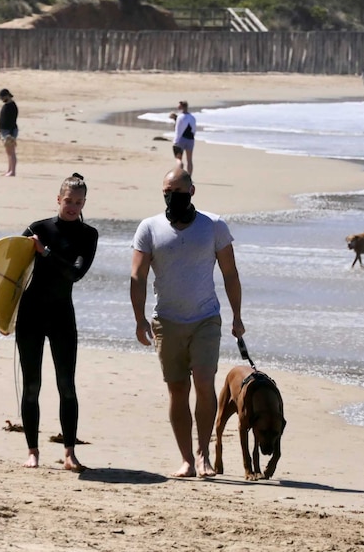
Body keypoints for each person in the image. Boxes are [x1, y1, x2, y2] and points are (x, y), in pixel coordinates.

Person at [130, 168, 244, 478]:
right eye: (167, 192)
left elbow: (230, 273)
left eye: (178, 192)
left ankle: (203, 454)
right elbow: (138, 276)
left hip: (206, 318)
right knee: (177, 390)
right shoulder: (149, 228)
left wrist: (237, 316)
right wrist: (139, 319)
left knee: (204, 384)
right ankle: (186, 460)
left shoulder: (214, 226)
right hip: (166, 321)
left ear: (192, 191)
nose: (172, 197)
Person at [16, 173, 99, 472]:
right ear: (58, 199)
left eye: (79, 202)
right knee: (32, 386)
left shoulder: (88, 235)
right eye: (68, 201)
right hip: (30, 315)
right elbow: (9, 269)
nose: (73, 207)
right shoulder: (38, 228)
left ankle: (69, 453)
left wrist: (46, 252)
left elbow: (75, 273)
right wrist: (2, 313)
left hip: (62, 315)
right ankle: (32, 451)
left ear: (84, 202)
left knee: (67, 386)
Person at [169, 101, 196, 175]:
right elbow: (193, 130)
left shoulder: (180, 117)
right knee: (189, 160)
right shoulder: (192, 117)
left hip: (181, 139)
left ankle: (179, 175)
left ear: (182, 107)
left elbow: (178, 130)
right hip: (190, 139)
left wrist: (175, 141)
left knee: (178, 159)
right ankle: (189, 177)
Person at [0, 88, 19, 176]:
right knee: (8, 151)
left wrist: (10, 135)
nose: (2, 99)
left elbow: (12, 120)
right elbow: (2, 119)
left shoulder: (12, 106)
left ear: (7, 96)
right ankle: (9, 169)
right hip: (4, 131)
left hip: (9, 131)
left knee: (11, 151)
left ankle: (13, 171)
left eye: (2, 97)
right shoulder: (6, 105)